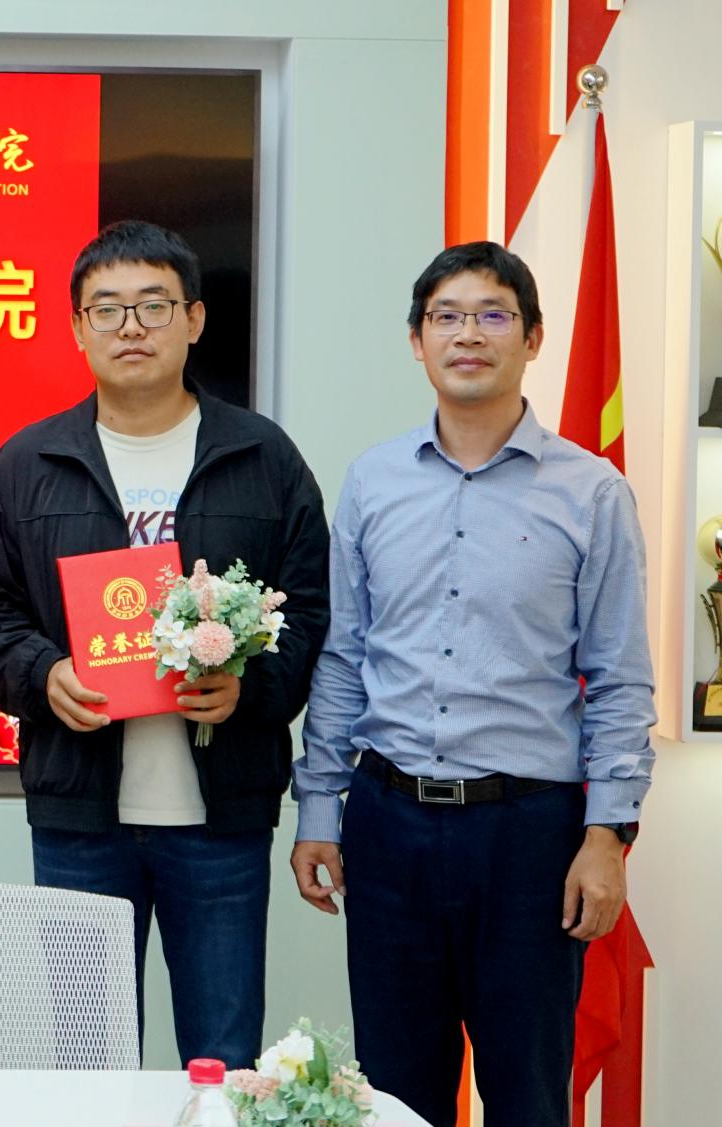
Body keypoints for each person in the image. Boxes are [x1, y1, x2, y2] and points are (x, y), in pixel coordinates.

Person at [290, 241, 654, 1127]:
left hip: (529, 836)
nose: (468, 334)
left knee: (526, 1092)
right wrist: (319, 809)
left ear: (533, 337)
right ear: (417, 340)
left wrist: (606, 835)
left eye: (493, 315)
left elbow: (618, 678)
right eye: (446, 316)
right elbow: (344, 656)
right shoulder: (374, 480)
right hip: (390, 824)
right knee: (394, 1093)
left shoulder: (592, 492)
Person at [0, 220, 329, 1068]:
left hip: (221, 818)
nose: (131, 326)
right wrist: (42, 672)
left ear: (194, 319)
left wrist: (251, 689)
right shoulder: (29, 462)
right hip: (81, 816)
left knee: (222, 1059)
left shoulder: (263, 457)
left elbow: (310, 611)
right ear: (77, 327)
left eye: (154, 305)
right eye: (108, 308)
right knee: (88, 1063)